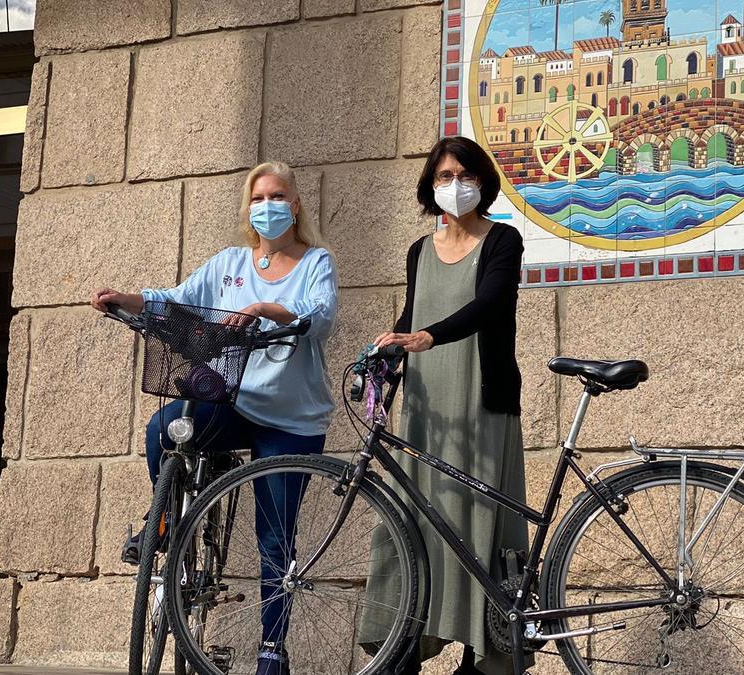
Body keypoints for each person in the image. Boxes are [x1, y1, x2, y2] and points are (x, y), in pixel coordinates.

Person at [90, 161, 338, 675]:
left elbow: (321, 316)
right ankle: (165, 520)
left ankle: (272, 650)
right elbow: (176, 301)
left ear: (295, 206)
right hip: (234, 402)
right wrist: (126, 300)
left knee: (275, 538)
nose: (267, 206)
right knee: (163, 429)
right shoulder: (229, 264)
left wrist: (266, 309)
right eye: (258, 198)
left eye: (277, 196)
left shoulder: (316, 262)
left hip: (292, 419)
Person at [366, 136, 528, 674]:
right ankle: (406, 641)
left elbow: (490, 304)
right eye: (443, 176)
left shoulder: (502, 240)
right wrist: (389, 351)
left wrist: (429, 336)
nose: (454, 185)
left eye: (464, 175)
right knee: (418, 520)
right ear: (430, 186)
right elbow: (412, 315)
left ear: (483, 181)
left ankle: (481, 656)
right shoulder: (419, 251)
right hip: (427, 410)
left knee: (480, 523)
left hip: (481, 402)